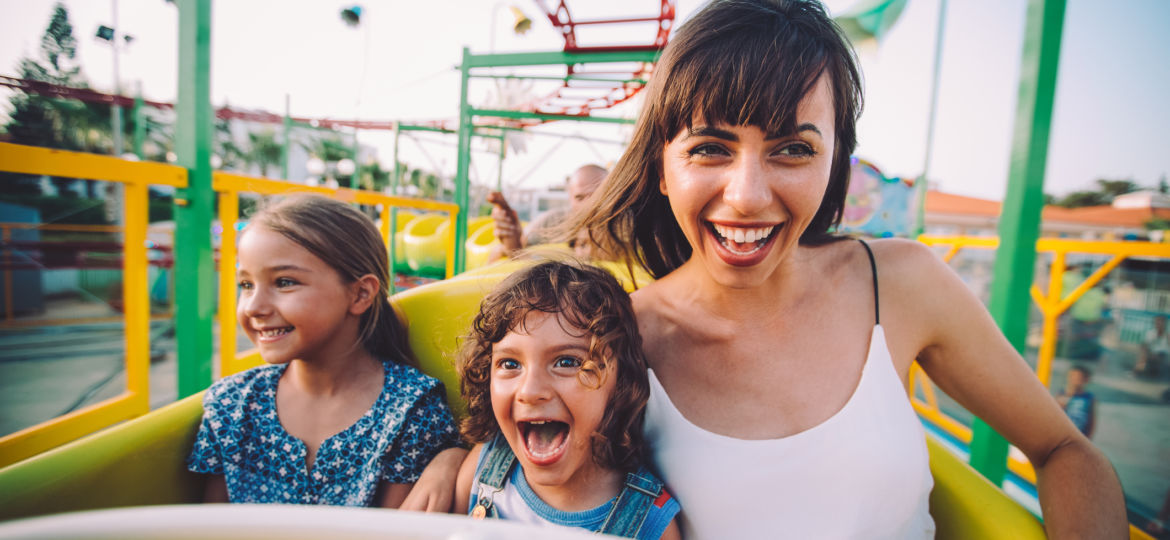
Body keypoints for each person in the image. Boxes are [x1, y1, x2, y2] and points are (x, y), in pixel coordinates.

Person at [561, 0, 1126, 537]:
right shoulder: (615, 342)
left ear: (835, 163)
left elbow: (1066, 451)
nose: (748, 196)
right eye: (710, 148)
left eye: (794, 150)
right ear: (663, 167)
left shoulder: (901, 284)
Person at [187, 194, 460, 507]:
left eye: (284, 282)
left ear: (360, 294)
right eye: (246, 285)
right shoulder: (231, 406)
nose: (254, 307)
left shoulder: (411, 409)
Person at [452, 260, 681, 539]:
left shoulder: (648, 522)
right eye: (510, 364)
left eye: (567, 361)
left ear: (621, 380)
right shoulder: (482, 467)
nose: (530, 391)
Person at [487, 164, 608, 262]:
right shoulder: (553, 221)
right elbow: (503, 252)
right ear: (570, 198)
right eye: (579, 198)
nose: (588, 204)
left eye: (596, 196)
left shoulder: (623, 227)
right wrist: (513, 243)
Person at [1056, 365, 1096, 438]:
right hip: (1062, 434)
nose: (1075, 380)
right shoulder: (1061, 394)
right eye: (1072, 377)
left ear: (1086, 379)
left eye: (1078, 378)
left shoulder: (1089, 398)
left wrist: (1088, 437)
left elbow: (1091, 420)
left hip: (1080, 435)